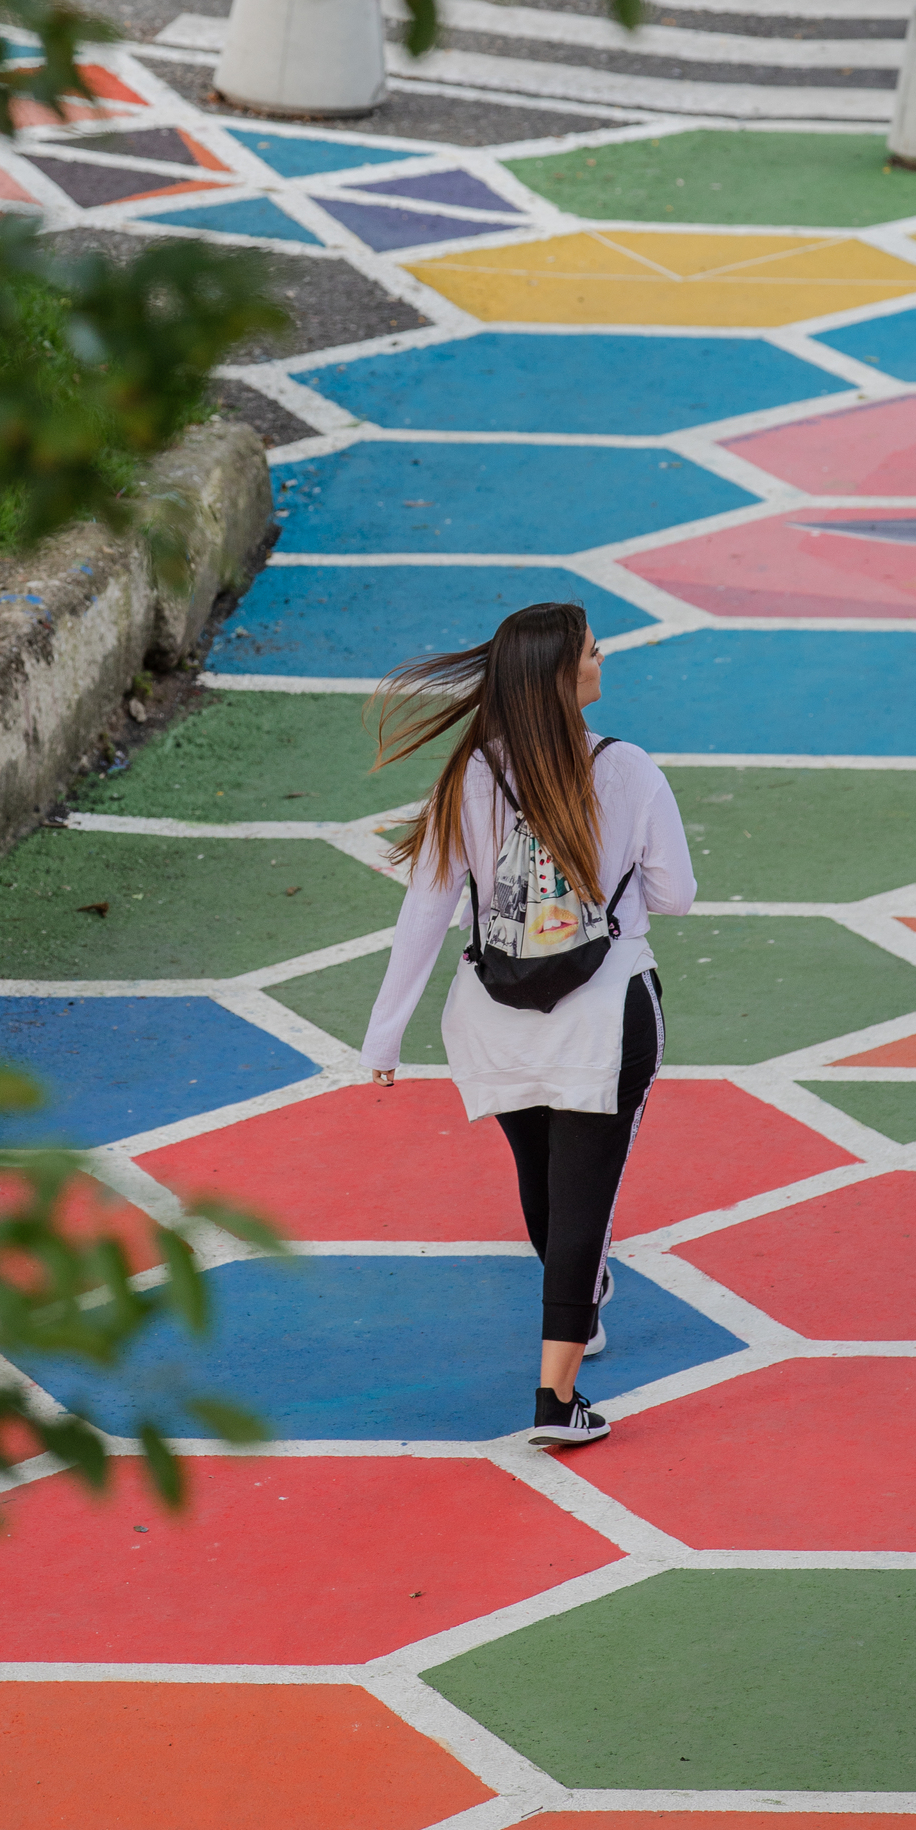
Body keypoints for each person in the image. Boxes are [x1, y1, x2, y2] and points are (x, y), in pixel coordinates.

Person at [361, 600, 695, 1448]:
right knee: (585, 1199)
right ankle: (556, 1400)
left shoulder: (471, 774)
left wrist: (384, 1034)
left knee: (546, 1184)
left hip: (491, 1017)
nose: (601, 657)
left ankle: (581, 1305)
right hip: (606, 1011)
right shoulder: (627, 770)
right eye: (590, 650)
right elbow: (675, 895)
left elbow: (429, 906)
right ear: (559, 677)